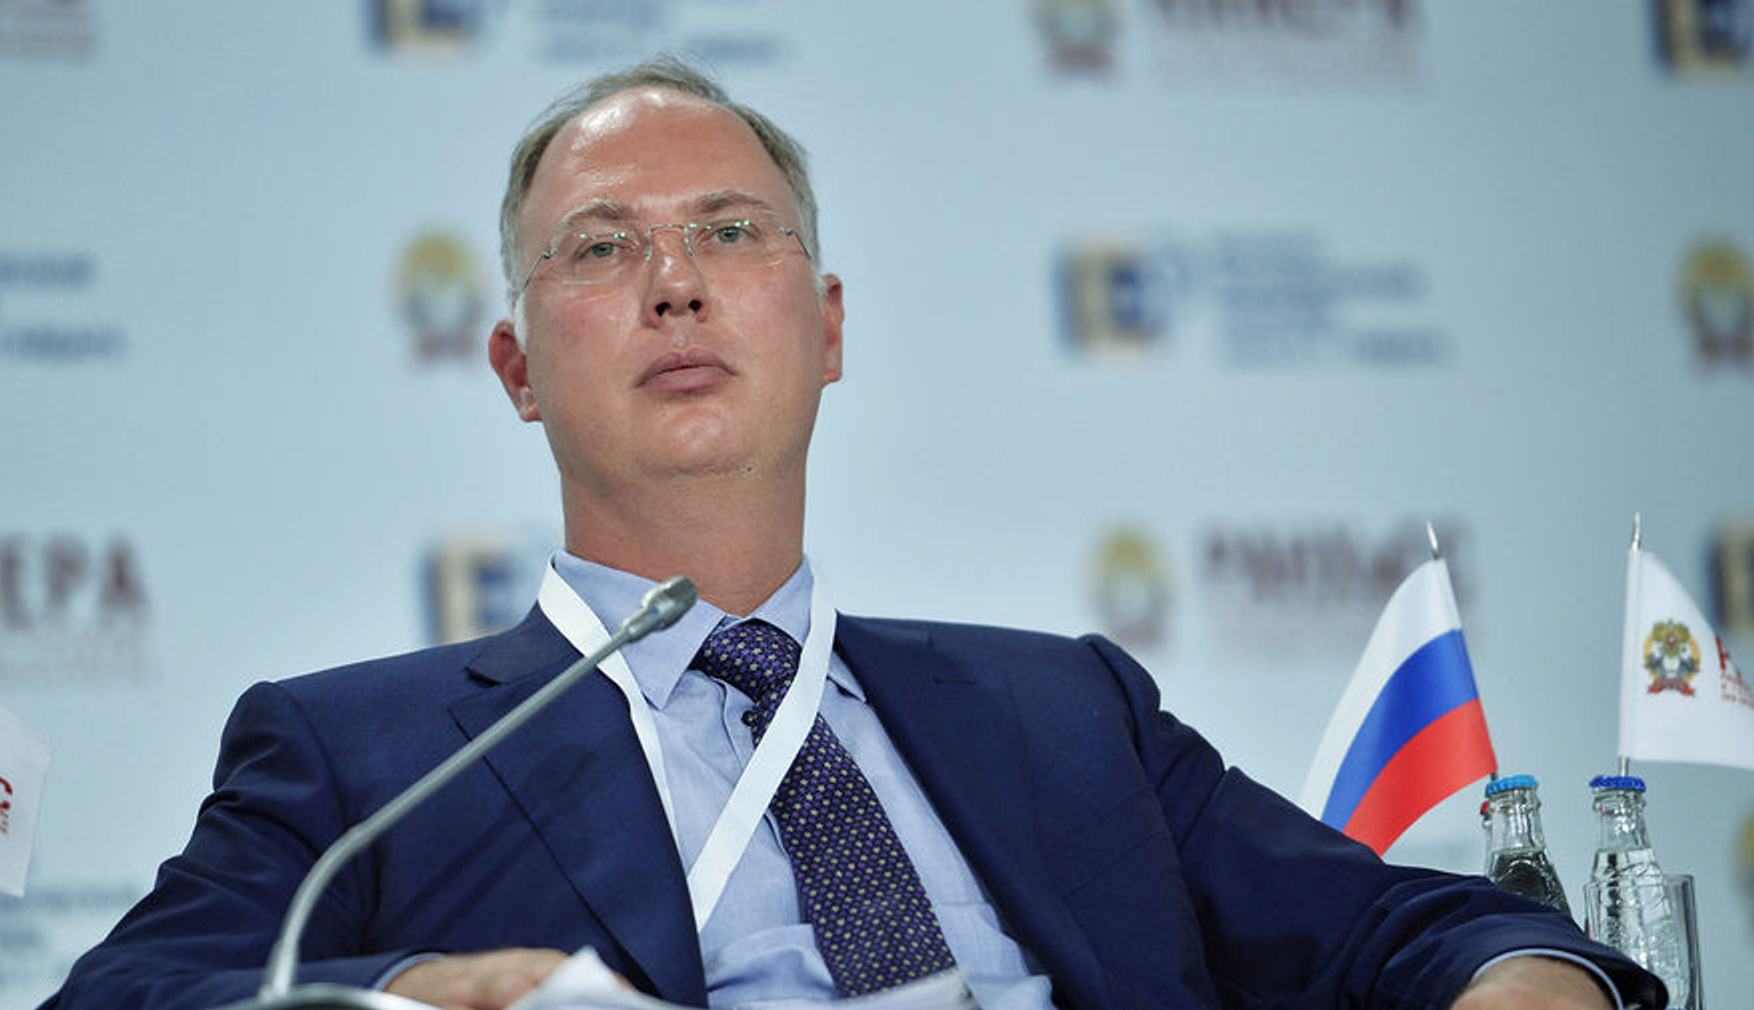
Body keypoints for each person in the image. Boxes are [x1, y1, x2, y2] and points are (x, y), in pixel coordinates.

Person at [40, 57, 1663, 1010]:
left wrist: (1526, 977)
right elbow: (124, 999)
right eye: (601, 247)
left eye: (727, 231)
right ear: (516, 370)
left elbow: (1397, 924)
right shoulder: (361, 756)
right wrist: (402, 999)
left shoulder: (1062, 708)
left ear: (826, 328)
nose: (675, 282)